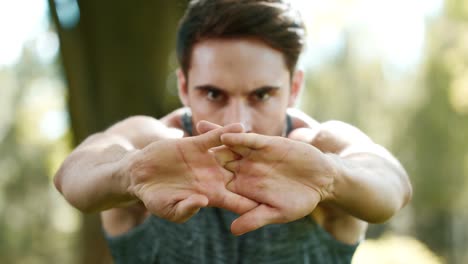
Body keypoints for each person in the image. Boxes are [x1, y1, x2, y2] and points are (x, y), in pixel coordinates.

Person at [54, 0, 412, 263]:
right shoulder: (154, 149)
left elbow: (393, 183)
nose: (236, 123)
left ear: (294, 87)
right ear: (183, 86)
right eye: (213, 94)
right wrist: (130, 175)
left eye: (261, 95)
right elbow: (72, 173)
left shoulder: (317, 151)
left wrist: (329, 179)